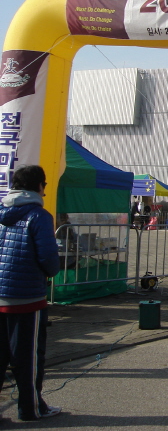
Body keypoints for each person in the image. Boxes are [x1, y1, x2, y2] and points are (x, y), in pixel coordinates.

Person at [0, 165, 62, 421]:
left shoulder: (1, 212)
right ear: (39, 186)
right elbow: (49, 259)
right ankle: (31, 407)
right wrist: (51, 271)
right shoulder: (39, 216)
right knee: (28, 357)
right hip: (26, 297)